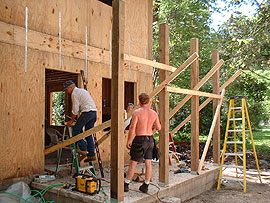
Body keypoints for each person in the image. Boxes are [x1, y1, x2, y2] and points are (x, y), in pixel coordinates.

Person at [124, 93, 161, 193]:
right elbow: (159, 127)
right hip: (150, 139)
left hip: (139, 139)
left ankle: (126, 184)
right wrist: (150, 126)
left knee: (133, 162)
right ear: (148, 101)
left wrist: (129, 140)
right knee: (148, 163)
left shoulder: (137, 112)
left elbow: (132, 128)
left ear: (139, 101)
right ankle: (146, 185)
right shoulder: (154, 113)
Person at [64, 80, 97, 162]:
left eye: (67, 89)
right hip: (93, 113)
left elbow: (75, 109)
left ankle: (83, 148)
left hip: (87, 113)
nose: (66, 91)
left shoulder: (74, 94)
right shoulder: (82, 90)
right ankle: (92, 155)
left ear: (71, 87)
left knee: (76, 130)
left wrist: (71, 120)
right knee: (88, 133)